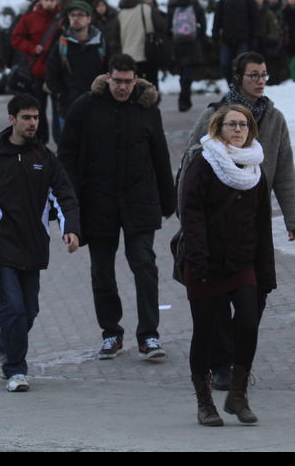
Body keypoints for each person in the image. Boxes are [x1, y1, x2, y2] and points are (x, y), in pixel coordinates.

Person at [186, 51, 295, 389]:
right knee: (220, 298)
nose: (261, 80)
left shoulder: (275, 119)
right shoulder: (215, 114)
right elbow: (192, 159)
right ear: (238, 78)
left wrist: (291, 214)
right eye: (254, 75)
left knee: (256, 293)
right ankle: (223, 365)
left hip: (254, 218)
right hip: (215, 221)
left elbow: (284, 167)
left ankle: (237, 355)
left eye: (264, 74)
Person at [58, 54, 176, 362]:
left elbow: (160, 155)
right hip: (98, 202)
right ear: (107, 78)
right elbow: (67, 155)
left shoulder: (147, 109)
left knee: (144, 265)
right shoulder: (85, 107)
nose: (122, 87)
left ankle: (149, 334)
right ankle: (111, 332)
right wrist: (68, 200)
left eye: (128, 81)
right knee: (102, 271)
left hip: (140, 200)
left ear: (135, 80)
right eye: (117, 81)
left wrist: (169, 198)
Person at [0, 94, 81, 392]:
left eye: (36, 118)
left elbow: (65, 195)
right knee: (13, 308)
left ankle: (4, 341)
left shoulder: (44, 157)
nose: (32, 123)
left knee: (29, 311)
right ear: (12, 119)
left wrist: (71, 229)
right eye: (26, 117)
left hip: (34, 246)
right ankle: (15, 369)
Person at [181, 104, 273, 426]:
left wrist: (265, 270)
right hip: (205, 263)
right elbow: (190, 214)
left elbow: (262, 223)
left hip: (241, 262)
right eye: (232, 124)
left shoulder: (255, 170)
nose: (238, 130)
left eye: (244, 125)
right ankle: (205, 402)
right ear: (218, 128)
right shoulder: (203, 165)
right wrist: (199, 259)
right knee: (205, 333)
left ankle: (237, 395)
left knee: (248, 323)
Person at [10, 0, 64, 146]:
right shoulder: (29, 18)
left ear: (56, 0)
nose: (49, 3)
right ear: (40, 0)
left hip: (58, 73)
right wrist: (32, 48)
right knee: (36, 110)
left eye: (52, 0)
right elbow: (16, 39)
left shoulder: (63, 18)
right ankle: (40, 144)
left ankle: (60, 143)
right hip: (37, 72)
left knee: (58, 110)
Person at [46, 0, 107, 137]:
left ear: (89, 18)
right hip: (68, 107)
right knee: (69, 152)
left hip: (96, 108)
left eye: (80, 15)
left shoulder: (101, 43)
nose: (75, 18)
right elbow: (51, 74)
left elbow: (109, 72)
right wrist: (63, 94)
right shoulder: (61, 44)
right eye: (72, 15)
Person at [109, 0, 166, 88]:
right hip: (149, 53)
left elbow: (114, 38)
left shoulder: (120, 14)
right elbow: (161, 26)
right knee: (151, 82)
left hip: (128, 57)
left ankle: (136, 102)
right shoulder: (148, 9)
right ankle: (152, 101)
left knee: (133, 84)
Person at [213, 0, 259, 85]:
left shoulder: (248, 1)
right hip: (227, 39)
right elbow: (217, 19)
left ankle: (239, 86)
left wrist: (255, 38)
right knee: (225, 64)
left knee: (241, 65)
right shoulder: (223, 1)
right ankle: (231, 85)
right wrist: (215, 33)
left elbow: (255, 20)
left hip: (243, 39)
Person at [167, 0, 207, 112]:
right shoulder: (195, 3)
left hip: (178, 42)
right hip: (192, 41)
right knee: (188, 70)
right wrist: (201, 36)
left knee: (182, 70)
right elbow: (203, 22)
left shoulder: (172, 4)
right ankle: (185, 98)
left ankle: (184, 97)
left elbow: (167, 24)